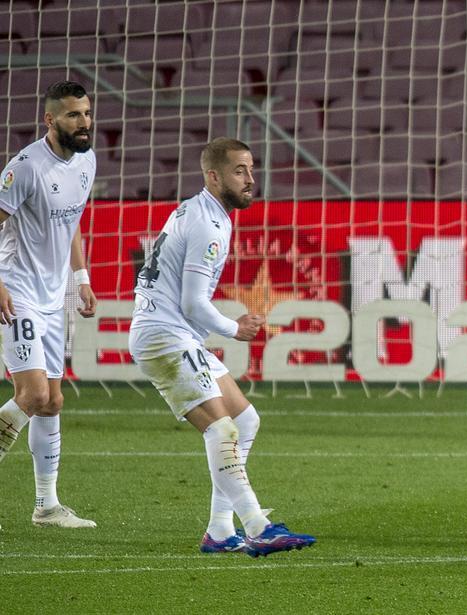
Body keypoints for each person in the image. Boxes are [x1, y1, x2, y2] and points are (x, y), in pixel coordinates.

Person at [128, 137, 315, 556]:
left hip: (175, 333)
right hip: (163, 334)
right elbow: (193, 302)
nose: (250, 179)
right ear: (213, 176)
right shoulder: (207, 223)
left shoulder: (206, 212)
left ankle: (219, 529)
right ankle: (258, 526)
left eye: (251, 170)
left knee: (245, 421)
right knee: (221, 427)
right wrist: (234, 328)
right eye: (239, 171)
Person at [0, 80, 99, 530]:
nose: (83, 123)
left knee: (53, 401)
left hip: (55, 295)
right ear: (49, 119)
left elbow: (72, 220)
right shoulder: (24, 168)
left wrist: (80, 278)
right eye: (73, 115)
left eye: (86, 113)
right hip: (17, 292)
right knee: (33, 395)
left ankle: (46, 506)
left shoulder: (86, 161)